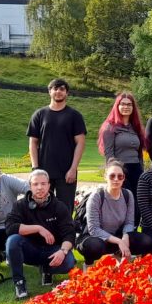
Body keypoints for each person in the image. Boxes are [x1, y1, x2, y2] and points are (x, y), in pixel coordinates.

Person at [4, 169, 77, 299]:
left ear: (49, 185)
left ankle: (47, 270)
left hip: (53, 250)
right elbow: (10, 227)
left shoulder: (59, 206)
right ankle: (19, 283)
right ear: (30, 186)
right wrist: (38, 228)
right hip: (31, 250)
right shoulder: (20, 205)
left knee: (69, 262)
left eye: (43, 184)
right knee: (13, 240)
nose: (40, 187)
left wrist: (63, 251)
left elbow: (69, 233)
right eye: (36, 184)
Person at [77, 160, 152, 266]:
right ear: (106, 177)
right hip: (96, 237)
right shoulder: (96, 197)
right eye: (112, 176)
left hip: (117, 234)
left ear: (124, 178)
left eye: (120, 176)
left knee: (147, 241)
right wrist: (120, 242)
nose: (116, 179)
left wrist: (125, 237)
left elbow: (129, 222)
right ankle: (89, 265)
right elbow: (94, 229)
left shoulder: (128, 195)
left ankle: (128, 262)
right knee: (94, 246)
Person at [28, 78, 87, 211]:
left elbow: (80, 143)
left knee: (65, 209)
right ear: (50, 92)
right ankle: (41, 231)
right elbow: (33, 142)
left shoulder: (74, 115)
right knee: (41, 207)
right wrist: (35, 168)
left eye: (62, 89)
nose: (58, 91)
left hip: (66, 172)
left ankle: (64, 232)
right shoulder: (39, 114)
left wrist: (73, 169)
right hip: (44, 171)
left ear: (67, 93)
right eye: (55, 88)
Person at [98, 92, 146, 204]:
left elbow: (139, 153)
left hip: (137, 170)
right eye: (123, 104)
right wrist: (115, 174)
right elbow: (109, 155)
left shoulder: (136, 127)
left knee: (137, 205)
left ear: (133, 108)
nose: (126, 107)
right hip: (121, 171)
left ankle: (135, 222)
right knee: (124, 203)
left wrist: (142, 170)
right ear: (117, 106)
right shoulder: (109, 128)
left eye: (129, 104)